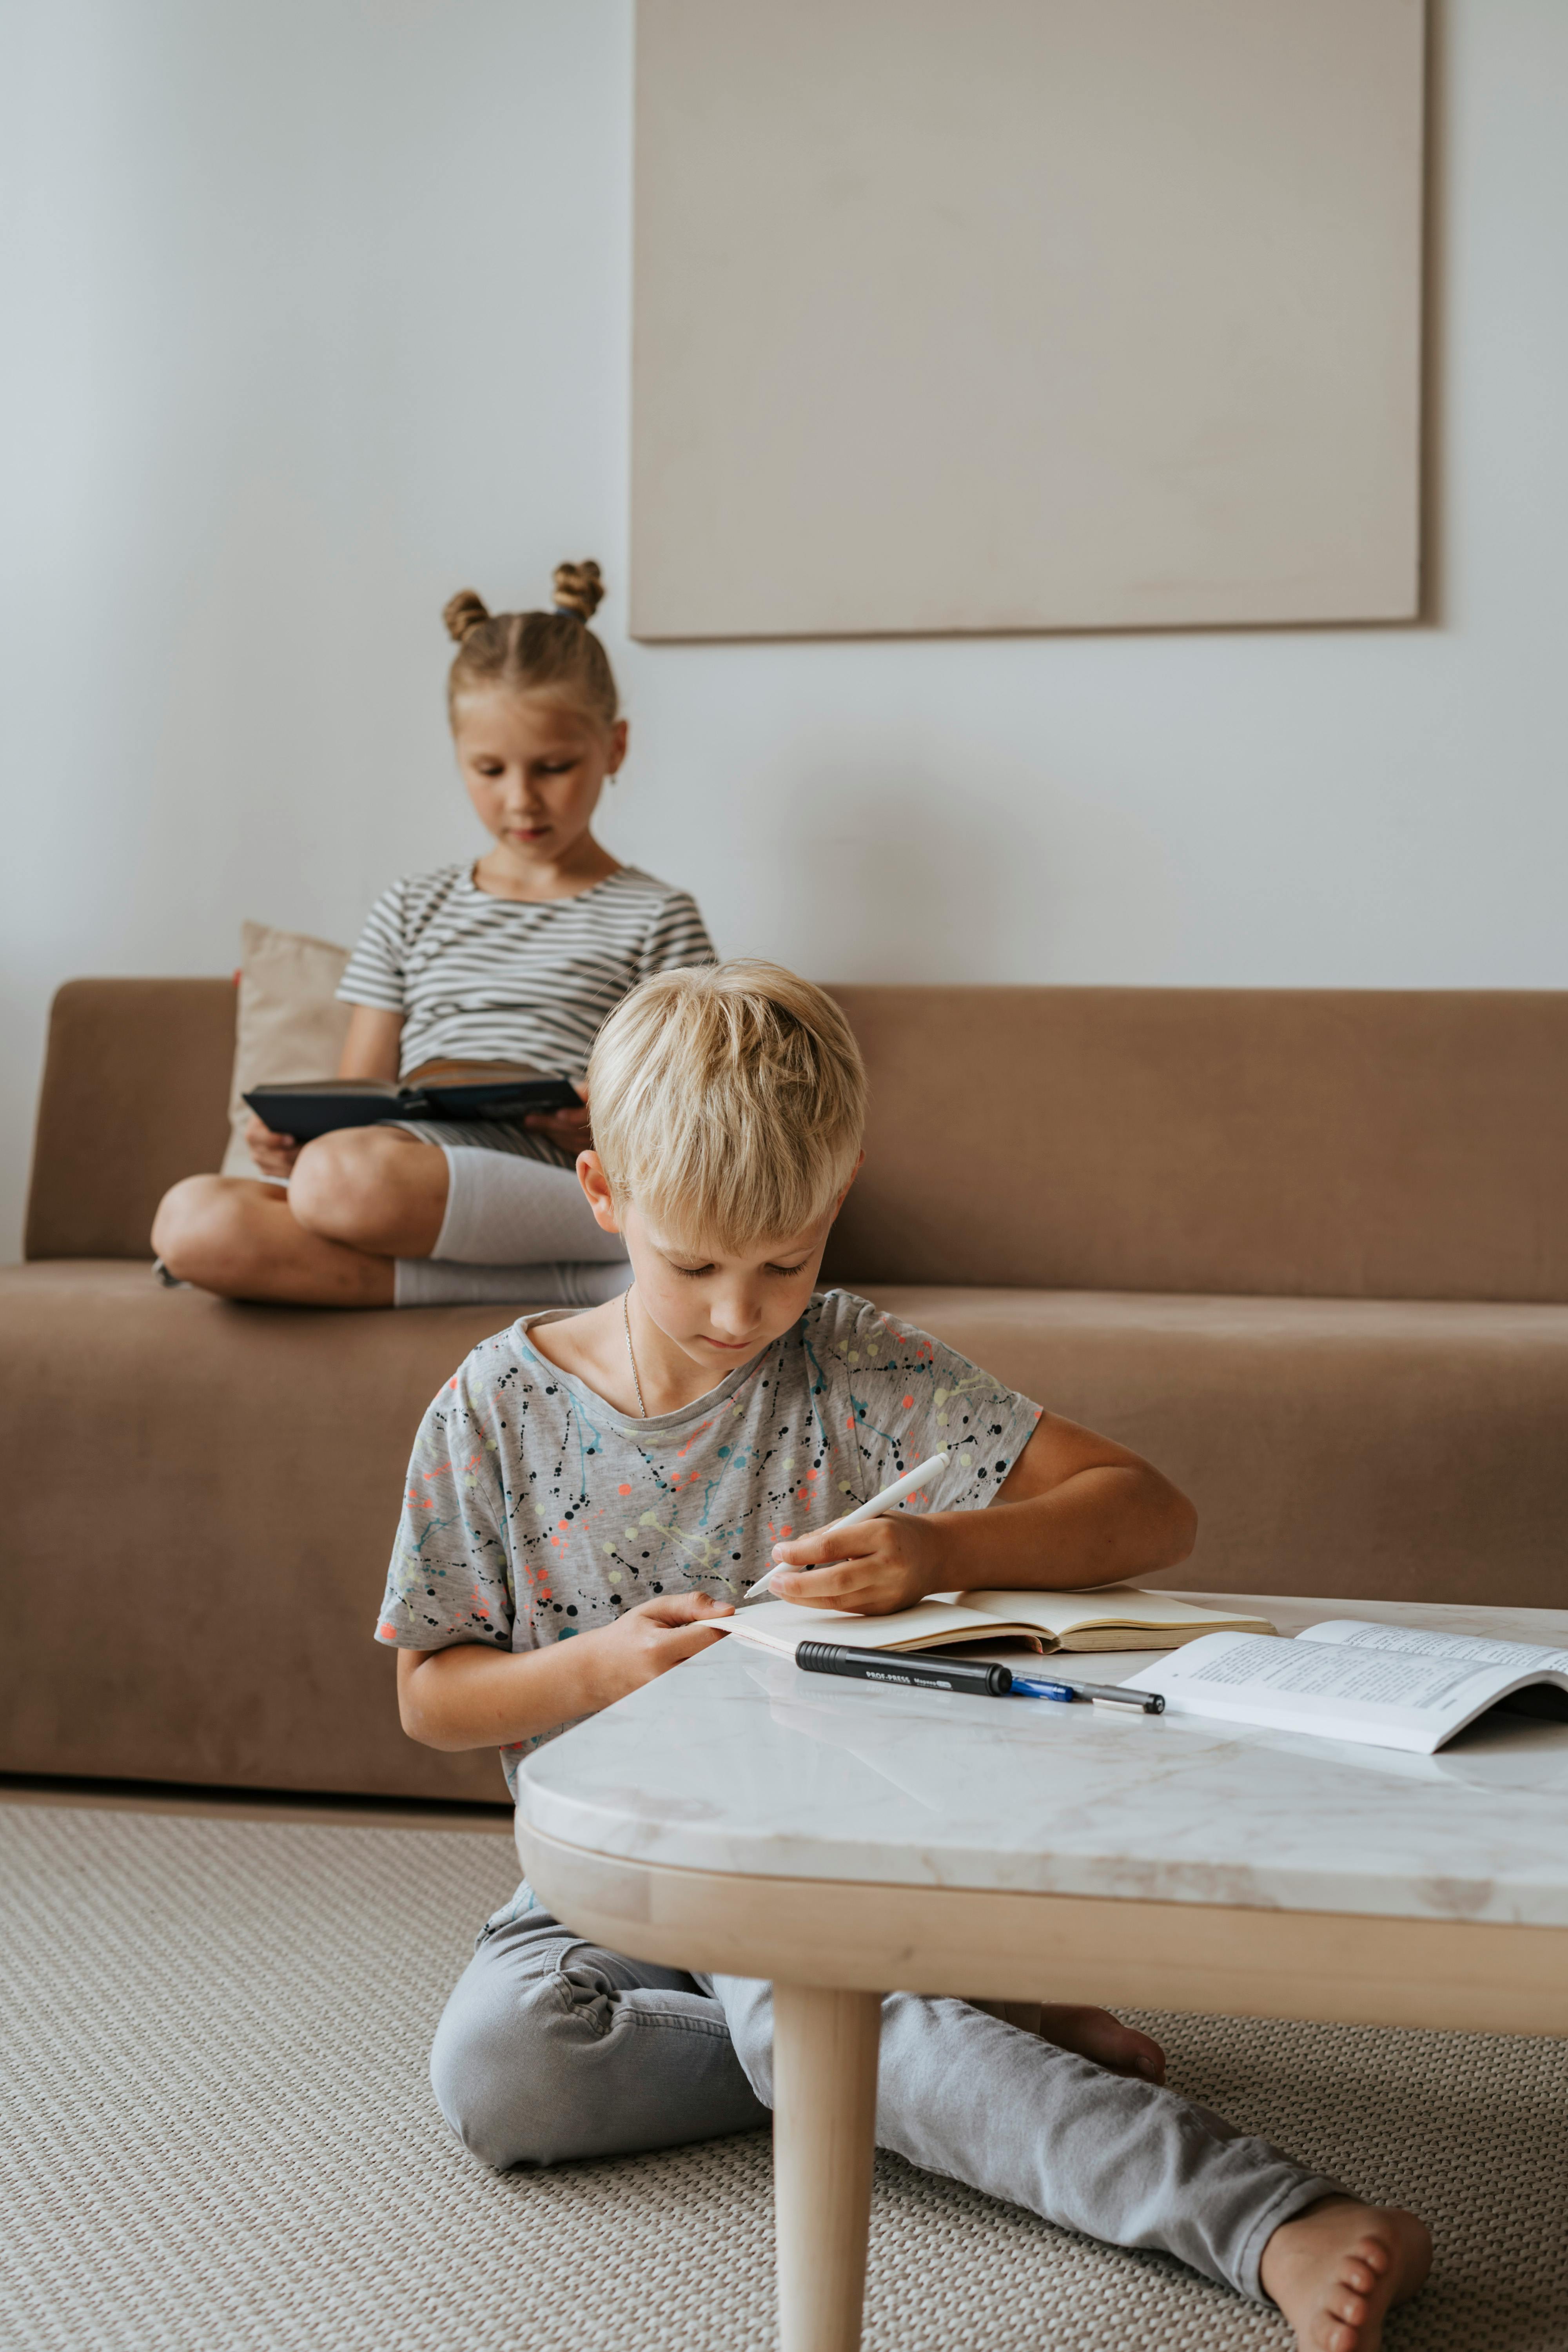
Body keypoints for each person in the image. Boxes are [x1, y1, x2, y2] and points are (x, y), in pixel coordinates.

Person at [376, 962, 1431, 2352]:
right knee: (504, 2075)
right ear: (603, 1192)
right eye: (693, 1265)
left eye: (787, 1261)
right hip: (610, 1884)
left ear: (839, 1197)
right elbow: (431, 1700)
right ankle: (937, 2031)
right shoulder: (494, 1409)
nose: (742, 1313)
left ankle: (1264, 2219)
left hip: (816, 1852)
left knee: (781, 1994)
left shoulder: (858, 1366)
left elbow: (1149, 1510)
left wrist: (943, 1555)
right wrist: (603, 1671)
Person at [151, 561, 713, 1308]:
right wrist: (294, 1140)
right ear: (458, 757)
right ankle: (585, 1284)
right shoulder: (411, 907)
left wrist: (597, 1131)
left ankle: (622, 1256)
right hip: (406, 1165)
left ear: (614, 748)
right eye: (489, 769)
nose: (521, 799)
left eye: (553, 767)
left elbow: (702, 1120)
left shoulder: (657, 915)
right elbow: (366, 1092)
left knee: (341, 1179)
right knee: (191, 1221)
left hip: (568, 1178)